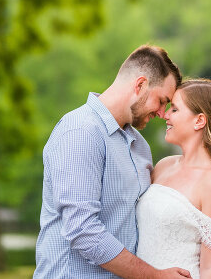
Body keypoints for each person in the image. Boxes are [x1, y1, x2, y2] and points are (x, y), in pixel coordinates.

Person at [34, 45, 191, 279]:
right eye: (161, 101)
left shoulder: (140, 146)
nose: (162, 113)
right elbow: (83, 231)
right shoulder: (80, 132)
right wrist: (155, 276)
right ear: (140, 85)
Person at [135, 78, 211, 279]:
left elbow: (210, 270)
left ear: (199, 120)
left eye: (175, 110)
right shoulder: (164, 165)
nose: (165, 115)